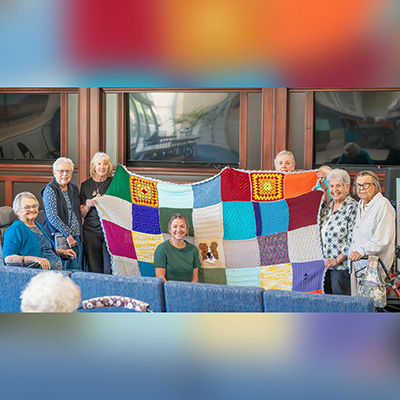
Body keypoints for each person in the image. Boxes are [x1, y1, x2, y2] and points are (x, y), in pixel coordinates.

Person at [2, 192, 76, 270]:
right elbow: (8, 258)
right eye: (27, 207)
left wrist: (62, 252)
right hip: (37, 275)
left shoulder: (37, 225)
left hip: (56, 272)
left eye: (34, 206)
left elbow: (43, 248)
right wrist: (34, 259)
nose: (32, 210)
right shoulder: (15, 229)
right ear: (17, 211)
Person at [349, 171, 395, 274]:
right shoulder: (361, 203)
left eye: (366, 184)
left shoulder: (383, 205)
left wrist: (361, 251)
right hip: (359, 267)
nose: (361, 188)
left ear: (375, 185)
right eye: (358, 185)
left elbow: (382, 240)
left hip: (375, 270)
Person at [319, 169, 358, 295]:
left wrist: (336, 260)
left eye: (338, 185)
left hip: (341, 269)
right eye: (331, 186)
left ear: (347, 187)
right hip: (324, 267)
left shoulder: (352, 207)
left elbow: (353, 239)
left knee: (341, 307)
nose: (334, 189)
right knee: (326, 305)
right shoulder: (328, 206)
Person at [41, 157, 83, 270]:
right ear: (54, 172)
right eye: (61, 171)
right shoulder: (50, 190)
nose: (65, 174)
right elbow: (52, 217)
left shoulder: (73, 188)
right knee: (62, 271)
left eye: (68, 171)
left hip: (76, 236)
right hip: (60, 237)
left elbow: (76, 211)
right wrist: (68, 235)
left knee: (76, 270)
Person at [80, 152, 113, 274]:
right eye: (99, 164)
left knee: (110, 266)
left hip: (110, 229)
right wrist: (88, 205)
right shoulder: (85, 185)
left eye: (105, 164)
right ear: (93, 166)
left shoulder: (114, 183)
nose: (102, 167)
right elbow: (82, 214)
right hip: (91, 230)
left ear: (109, 167)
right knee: (94, 266)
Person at [153, 214, 200, 282]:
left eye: (182, 226)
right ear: (170, 229)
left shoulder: (193, 250)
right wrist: (174, 291)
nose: (178, 230)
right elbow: (160, 277)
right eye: (175, 226)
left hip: (187, 290)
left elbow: (194, 279)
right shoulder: (162, 248)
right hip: (166, 290)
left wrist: (188, 291)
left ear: (187, 230)